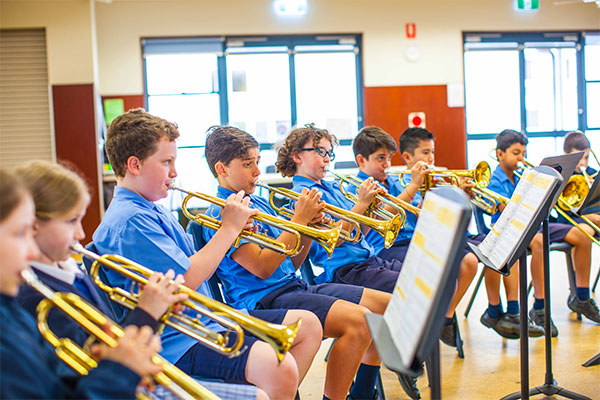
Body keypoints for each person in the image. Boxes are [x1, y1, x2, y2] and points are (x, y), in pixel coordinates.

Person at [93, 108, 322, 400]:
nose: (174, 172)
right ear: (135, 165)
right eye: (166, 162)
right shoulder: (130, 221)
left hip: (204, 319)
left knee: (306, 327)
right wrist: (228, 231)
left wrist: (235, 232)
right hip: (177, 338)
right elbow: (185, 280)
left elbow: (202, 267)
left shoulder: (152, 208)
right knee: (280, 368)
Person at [202, 125, 393, 400]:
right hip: (262, 300)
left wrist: (307, 230)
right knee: (359, 322)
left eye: (257, 161)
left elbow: (291, 262)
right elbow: (263, 267)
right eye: (247, 164)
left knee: (380, 311)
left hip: (292, 286)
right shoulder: (223, 213)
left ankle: (362, 393)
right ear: (222, 169)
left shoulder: (258, 202)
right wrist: (299, 220)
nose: (257, 171)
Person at [276, 124, 421, 400]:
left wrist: (369, 209)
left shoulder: (331, 186)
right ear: (297, 156)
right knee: (396, 304)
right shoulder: (301, 196)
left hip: (368, 259)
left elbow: (359, 230)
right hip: (343, 270)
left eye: (329, 152)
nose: (327, 159)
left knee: (419, 283)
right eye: (319, 152)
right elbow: (337, 238)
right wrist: (362, 205)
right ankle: (379, 375)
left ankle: (366, 387)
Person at [0, 168, 160, 399]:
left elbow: (58, 383)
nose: (31, 251)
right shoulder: (29, 300)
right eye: (19, 233)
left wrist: (113, 364)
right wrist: (119, 372)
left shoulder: (12, 312)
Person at [351, 126, 478, 347]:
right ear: (361, 161)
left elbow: (416, 214)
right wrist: (414, 185)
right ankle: (423, 333)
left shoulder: (392, 181)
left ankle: (442, 319)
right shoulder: (360, 188)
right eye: (381, 158)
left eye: (389, 158)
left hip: (412, 240)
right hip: (387, 247)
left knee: (466, 260)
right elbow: (387, 216)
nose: (387, 165)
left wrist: (433, 195)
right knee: (436, 273)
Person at [485, 129, 599, 339]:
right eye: (516, 153)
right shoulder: (496, 179)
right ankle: (540, 307)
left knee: (583, 235)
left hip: (535, 223)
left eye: (523, 153)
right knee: (538, 242)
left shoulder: (522, 175)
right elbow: (500, 210)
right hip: (513, 229)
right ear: (500, 154)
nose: (521, 158)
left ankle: (581, 297)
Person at [560, 130, 600, 229]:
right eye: (579, 158)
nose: (583, 163)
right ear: (566, 155)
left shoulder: (592, 173)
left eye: (586, 158)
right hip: (568, 220)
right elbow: (563, 211)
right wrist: (589, 217)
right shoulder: (562, 176)